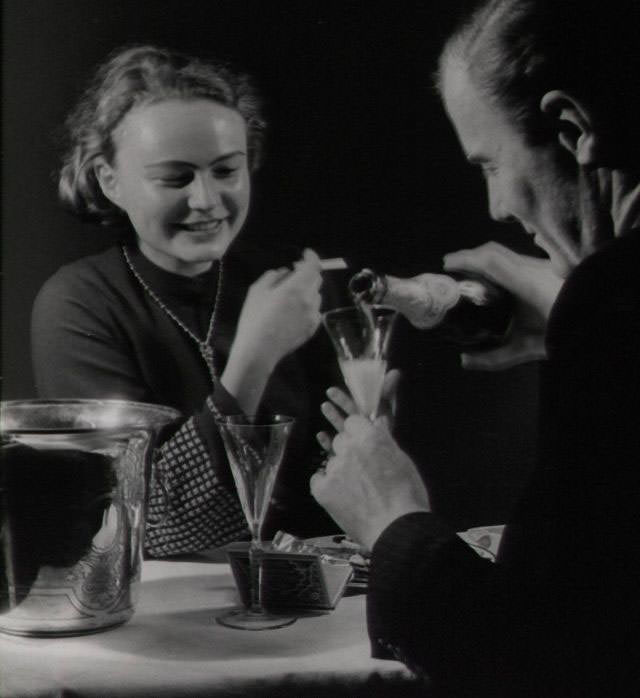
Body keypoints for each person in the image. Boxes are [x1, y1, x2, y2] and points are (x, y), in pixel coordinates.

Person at [311, 1, 640, 695]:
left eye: (490, 162)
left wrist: (392, 518)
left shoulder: (612, 298)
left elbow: (532, 656)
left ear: (571, 127)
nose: (495, 207)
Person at [31, 44, 338, 558]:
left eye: (226, 170)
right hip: (163, 607)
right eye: (175, 178)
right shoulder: (78, 304)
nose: (207, 201)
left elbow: (330, 494)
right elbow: (149, 526)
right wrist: (255, 357)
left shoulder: (285, 282)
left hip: (299, 594)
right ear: (111, 182)